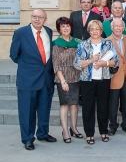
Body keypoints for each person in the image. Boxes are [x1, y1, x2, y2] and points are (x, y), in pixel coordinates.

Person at [10, 9, 56, 151]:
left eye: (40, 17)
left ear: (45, 19)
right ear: (31, 18)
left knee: (44, 108)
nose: (37, 19)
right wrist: (28, 67)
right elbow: (14, 55)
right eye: (34, 16)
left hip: (46, 78)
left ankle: (42, 133)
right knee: (27, 110)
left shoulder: (48, 31)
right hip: (28, 79)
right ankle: (28, 138)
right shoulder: (21, 33)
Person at [73, 20, 119, 145]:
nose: (95, 31)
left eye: (97, 29)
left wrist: (105, 63)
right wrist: (91, 60)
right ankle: (89, 134)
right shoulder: (83, 44)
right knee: (88, 107)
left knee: (104, 106)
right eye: (92, 29)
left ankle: (104, 131)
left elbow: (116, 61)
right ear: (89, 31)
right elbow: (77, 63)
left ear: (101, 30)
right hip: (87, 80)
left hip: (103, 79)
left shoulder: (108, 43)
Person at [52, 17, 83, 143]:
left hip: (76, 76)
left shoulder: (77, 42)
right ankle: (65, 130)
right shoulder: (57, 43)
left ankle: (74, 128)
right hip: (63, 77)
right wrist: (62, 80)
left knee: (74, 104)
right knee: (64, 104)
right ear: (59, 29)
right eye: (63, 26)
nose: (65, 28)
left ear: (71, 27)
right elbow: (56, 63)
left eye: (67, 26)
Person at [107, 19, 126, 136]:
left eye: (120, 26)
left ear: (123, 28)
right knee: (113, 105)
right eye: (115, 26)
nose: (118, 28)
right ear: (112, 28)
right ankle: (112, 126)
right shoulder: (107, 41)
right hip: (114, 76)